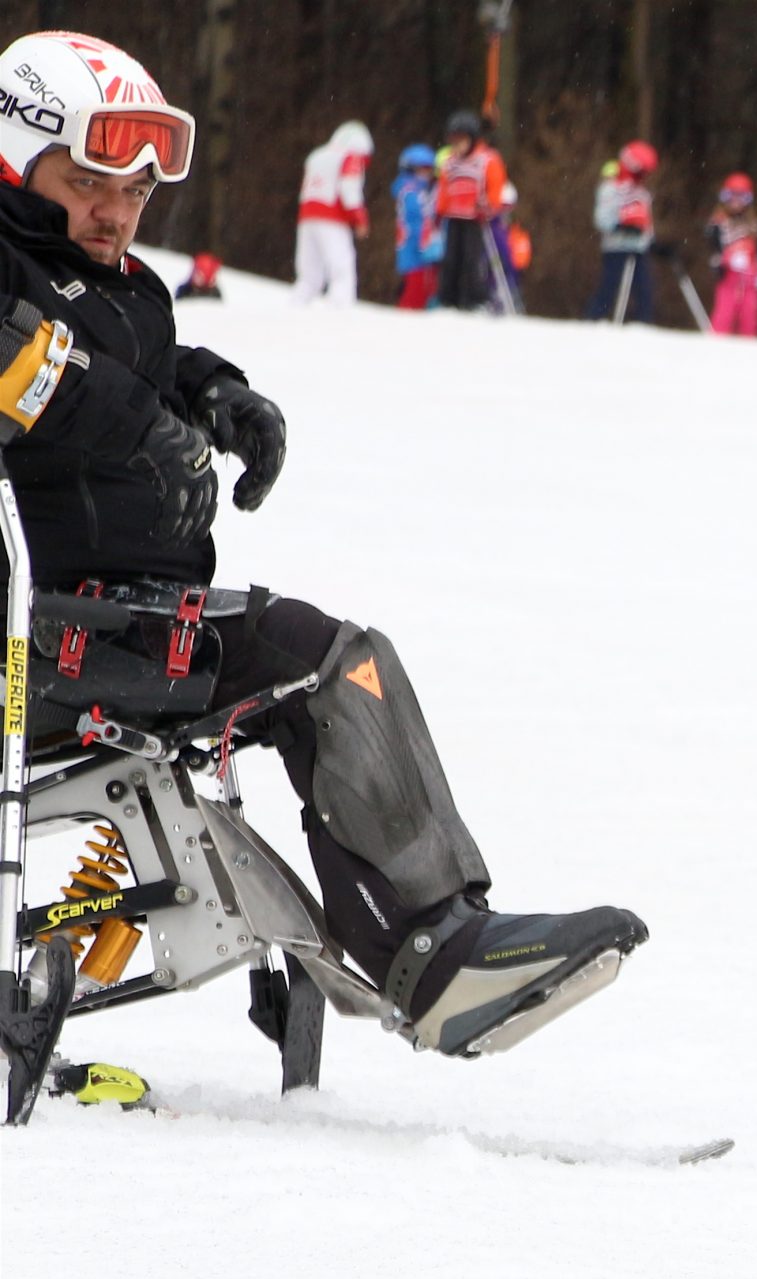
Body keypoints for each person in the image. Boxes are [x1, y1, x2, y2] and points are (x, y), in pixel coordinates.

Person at [0, 31, 647, 1073]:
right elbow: (38, 368)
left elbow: (136, 353)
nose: (116, 213)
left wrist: (214, 392)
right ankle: (431, 957)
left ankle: (439, 941)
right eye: (87, 185)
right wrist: (145, 429)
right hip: (36, 640)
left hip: (124, 621)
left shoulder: (114, 281)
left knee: (344, 660)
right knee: (312, 659)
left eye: (135, 192)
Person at [433, 110, 511, 313]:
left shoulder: (486, 159)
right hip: (454, 216)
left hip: (475, 217)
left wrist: (489, 206)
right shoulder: (450, 162)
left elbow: (496, 186)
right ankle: (448, 298)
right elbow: (444, 187)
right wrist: (439, 211)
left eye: (462, 141)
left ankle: (473, 299)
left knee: (471, 258)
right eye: (454, 141)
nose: (457, 146)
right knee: (451, 258)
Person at [291, 120, 370, 306]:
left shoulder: (316, 155)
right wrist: (360, 218)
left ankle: (293, 308)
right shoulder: (350, 157)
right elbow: (349, 190)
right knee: (341, 270)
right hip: (333, 218)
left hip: (306, 217)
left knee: (308, 277)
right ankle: (339, 312)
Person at [587, 140, 657, 324]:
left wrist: (652, 242)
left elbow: (647, 223)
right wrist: (621, 227)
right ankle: (594, 320)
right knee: (609, 288)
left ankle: (643, 324)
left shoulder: (642, 193)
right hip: (615, 248)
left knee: (644, 291)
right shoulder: (610, 189)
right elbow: (602, 219)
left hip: (638, 250)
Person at [704, 172, 757, 338]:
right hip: (729, 280)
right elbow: (714, 251)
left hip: (750, 279)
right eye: (732, 196)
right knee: (724, 315)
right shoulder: (718, 222)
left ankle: (748, 347)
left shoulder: (753, 224)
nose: (736, 202)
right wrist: (726, 260)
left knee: (749, 317)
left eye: (742, 197)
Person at [389, 143, 441, 309]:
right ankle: (407, 315)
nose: (427, 174)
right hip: (414, 248)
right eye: (422, 169)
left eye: (429, 169)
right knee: (416, 288)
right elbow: (416, 219)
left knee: (426, 287)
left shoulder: (421, 191)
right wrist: (427, 244)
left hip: (420, 247)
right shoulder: (410, 191)